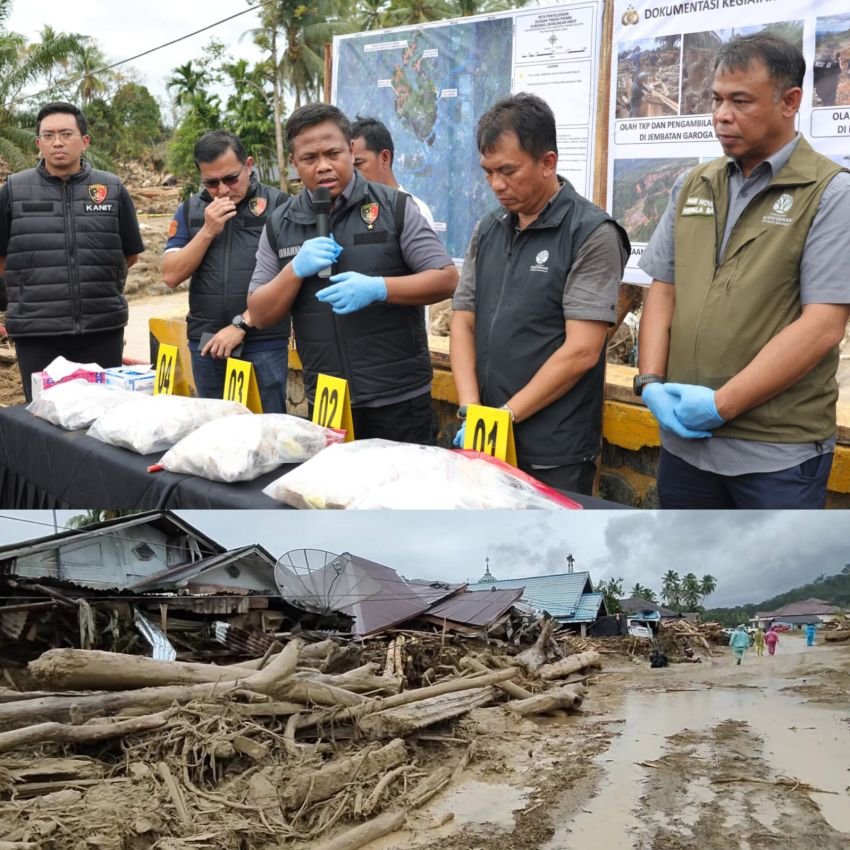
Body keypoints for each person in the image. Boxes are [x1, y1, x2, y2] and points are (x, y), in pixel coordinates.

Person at [636, 34, 850, 508]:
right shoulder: (694, 184)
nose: (721, 115)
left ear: (790, 101)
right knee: (684, 577)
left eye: (740, 101)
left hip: (774, 455)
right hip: (685, 448)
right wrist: (649, 381)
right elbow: (663, 289)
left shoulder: (831, 195)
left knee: (770, 582)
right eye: (716, 99)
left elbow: (822, 326)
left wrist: (721, 406)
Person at [449, 93, 629, 495]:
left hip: (553, 449)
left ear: (548, 163)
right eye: (488, 172)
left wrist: (505, 416)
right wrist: (470, 409)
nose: (496, 184)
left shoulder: (592, 233)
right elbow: (463, 319)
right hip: (486, 431)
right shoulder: (490, 227)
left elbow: (582, 350)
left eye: (508, 171)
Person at [247, 103, 457, 443]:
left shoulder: (394, 207)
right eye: (309, 158)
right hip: (328, 401)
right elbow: (258, 312)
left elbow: (445, 278)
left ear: (350, 150)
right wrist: (294, 271)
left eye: (333, 153)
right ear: (294, 163)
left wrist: (379, 288)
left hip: (398, 399)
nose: (323, 166)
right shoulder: (279, 224)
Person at [0, 102, 144, 402]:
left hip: (101, 329)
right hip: (37, 332)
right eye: (48, 135)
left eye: (66, 133)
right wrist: (26, 289)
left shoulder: (111, 188)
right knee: (43, 421)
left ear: (85, 140)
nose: (57, 142)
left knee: (102, 419)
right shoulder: (14, 190)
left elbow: (130, 254)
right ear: (38, 142)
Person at [161, 131, 289, 412]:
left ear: (249, 165)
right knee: (215, 436)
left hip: (263, 341)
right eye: (211, 183)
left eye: (231, 178)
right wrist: (207, 231)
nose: (222, 190)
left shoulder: (279, 206)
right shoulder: (190, 211)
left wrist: (241, 325)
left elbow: (291, 278)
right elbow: (170, 275)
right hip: (206, 343)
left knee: (269, 435)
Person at [351, 116, 436, 229]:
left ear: (385, 158)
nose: (352, 173)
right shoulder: (349, 212)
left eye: (358, 164)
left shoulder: (413, 211)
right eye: (348, 166)